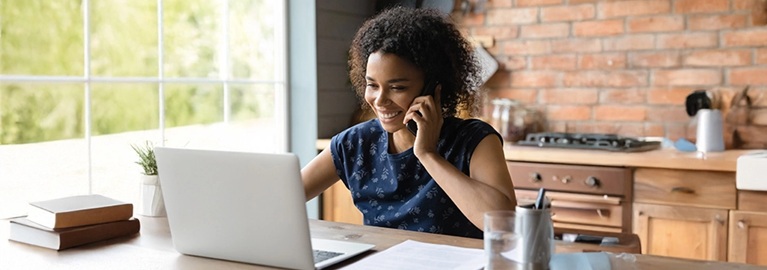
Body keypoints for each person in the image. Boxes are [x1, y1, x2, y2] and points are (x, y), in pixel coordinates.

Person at [301, 6, 516, 239]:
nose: (380, 100)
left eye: (397, 88)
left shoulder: (474, 140)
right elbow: (282, 196)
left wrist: (427, 154)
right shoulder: (355, 143)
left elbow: (504, 224)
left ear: (433, 88)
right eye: (372, 85)